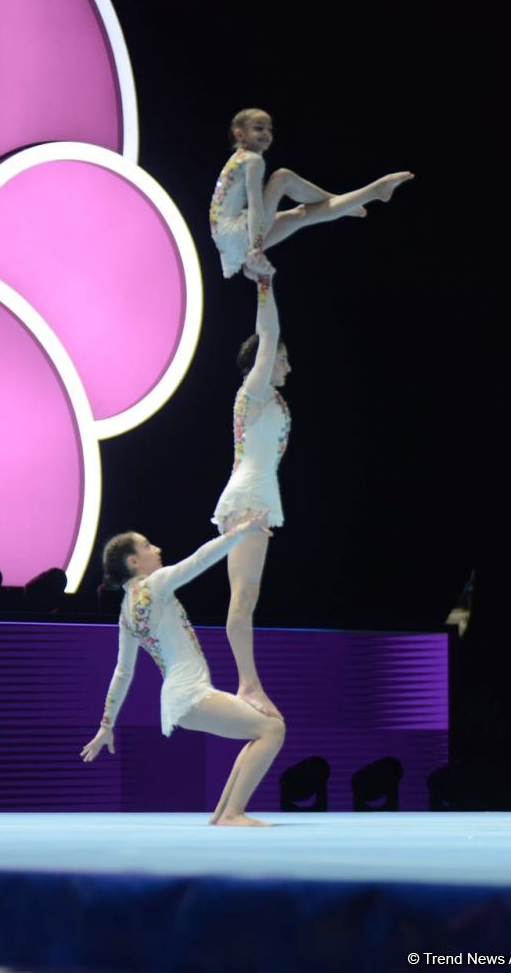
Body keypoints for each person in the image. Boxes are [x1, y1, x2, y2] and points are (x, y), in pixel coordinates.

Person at [81, 515, 286, 827]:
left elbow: (122, 673)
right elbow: (199, 560)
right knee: (273, 730)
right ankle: (232, 813)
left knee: (263, 729)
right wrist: (240, 532)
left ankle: (223, 814)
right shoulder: (155, 584)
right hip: (191, 695)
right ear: (134, 561)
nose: (158, 549)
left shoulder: (126, 613)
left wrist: (106, 725)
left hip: (182, 697)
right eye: (148, 546)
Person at [209, 107, 413, 279]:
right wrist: (255, 249)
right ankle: (344, 200)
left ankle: (373, 192)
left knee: (302, 214)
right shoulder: (252, 161)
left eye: (269, 129)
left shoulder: (242, 158)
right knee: (282, 178)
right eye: (258, 128)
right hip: (236, 233)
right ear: (240, 134)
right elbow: (255, 205)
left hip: (227, 241)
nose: (266, 133)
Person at [212, 271, 289, 719]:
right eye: (282, 359)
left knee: (249, 597)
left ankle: (249, 683)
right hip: (244, 504)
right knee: (241, 600)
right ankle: (247, 684)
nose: (287, 366)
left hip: (256, 504)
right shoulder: (254, 392)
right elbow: (270, 332)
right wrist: (265, 283)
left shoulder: (271, 401)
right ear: (262, 361)